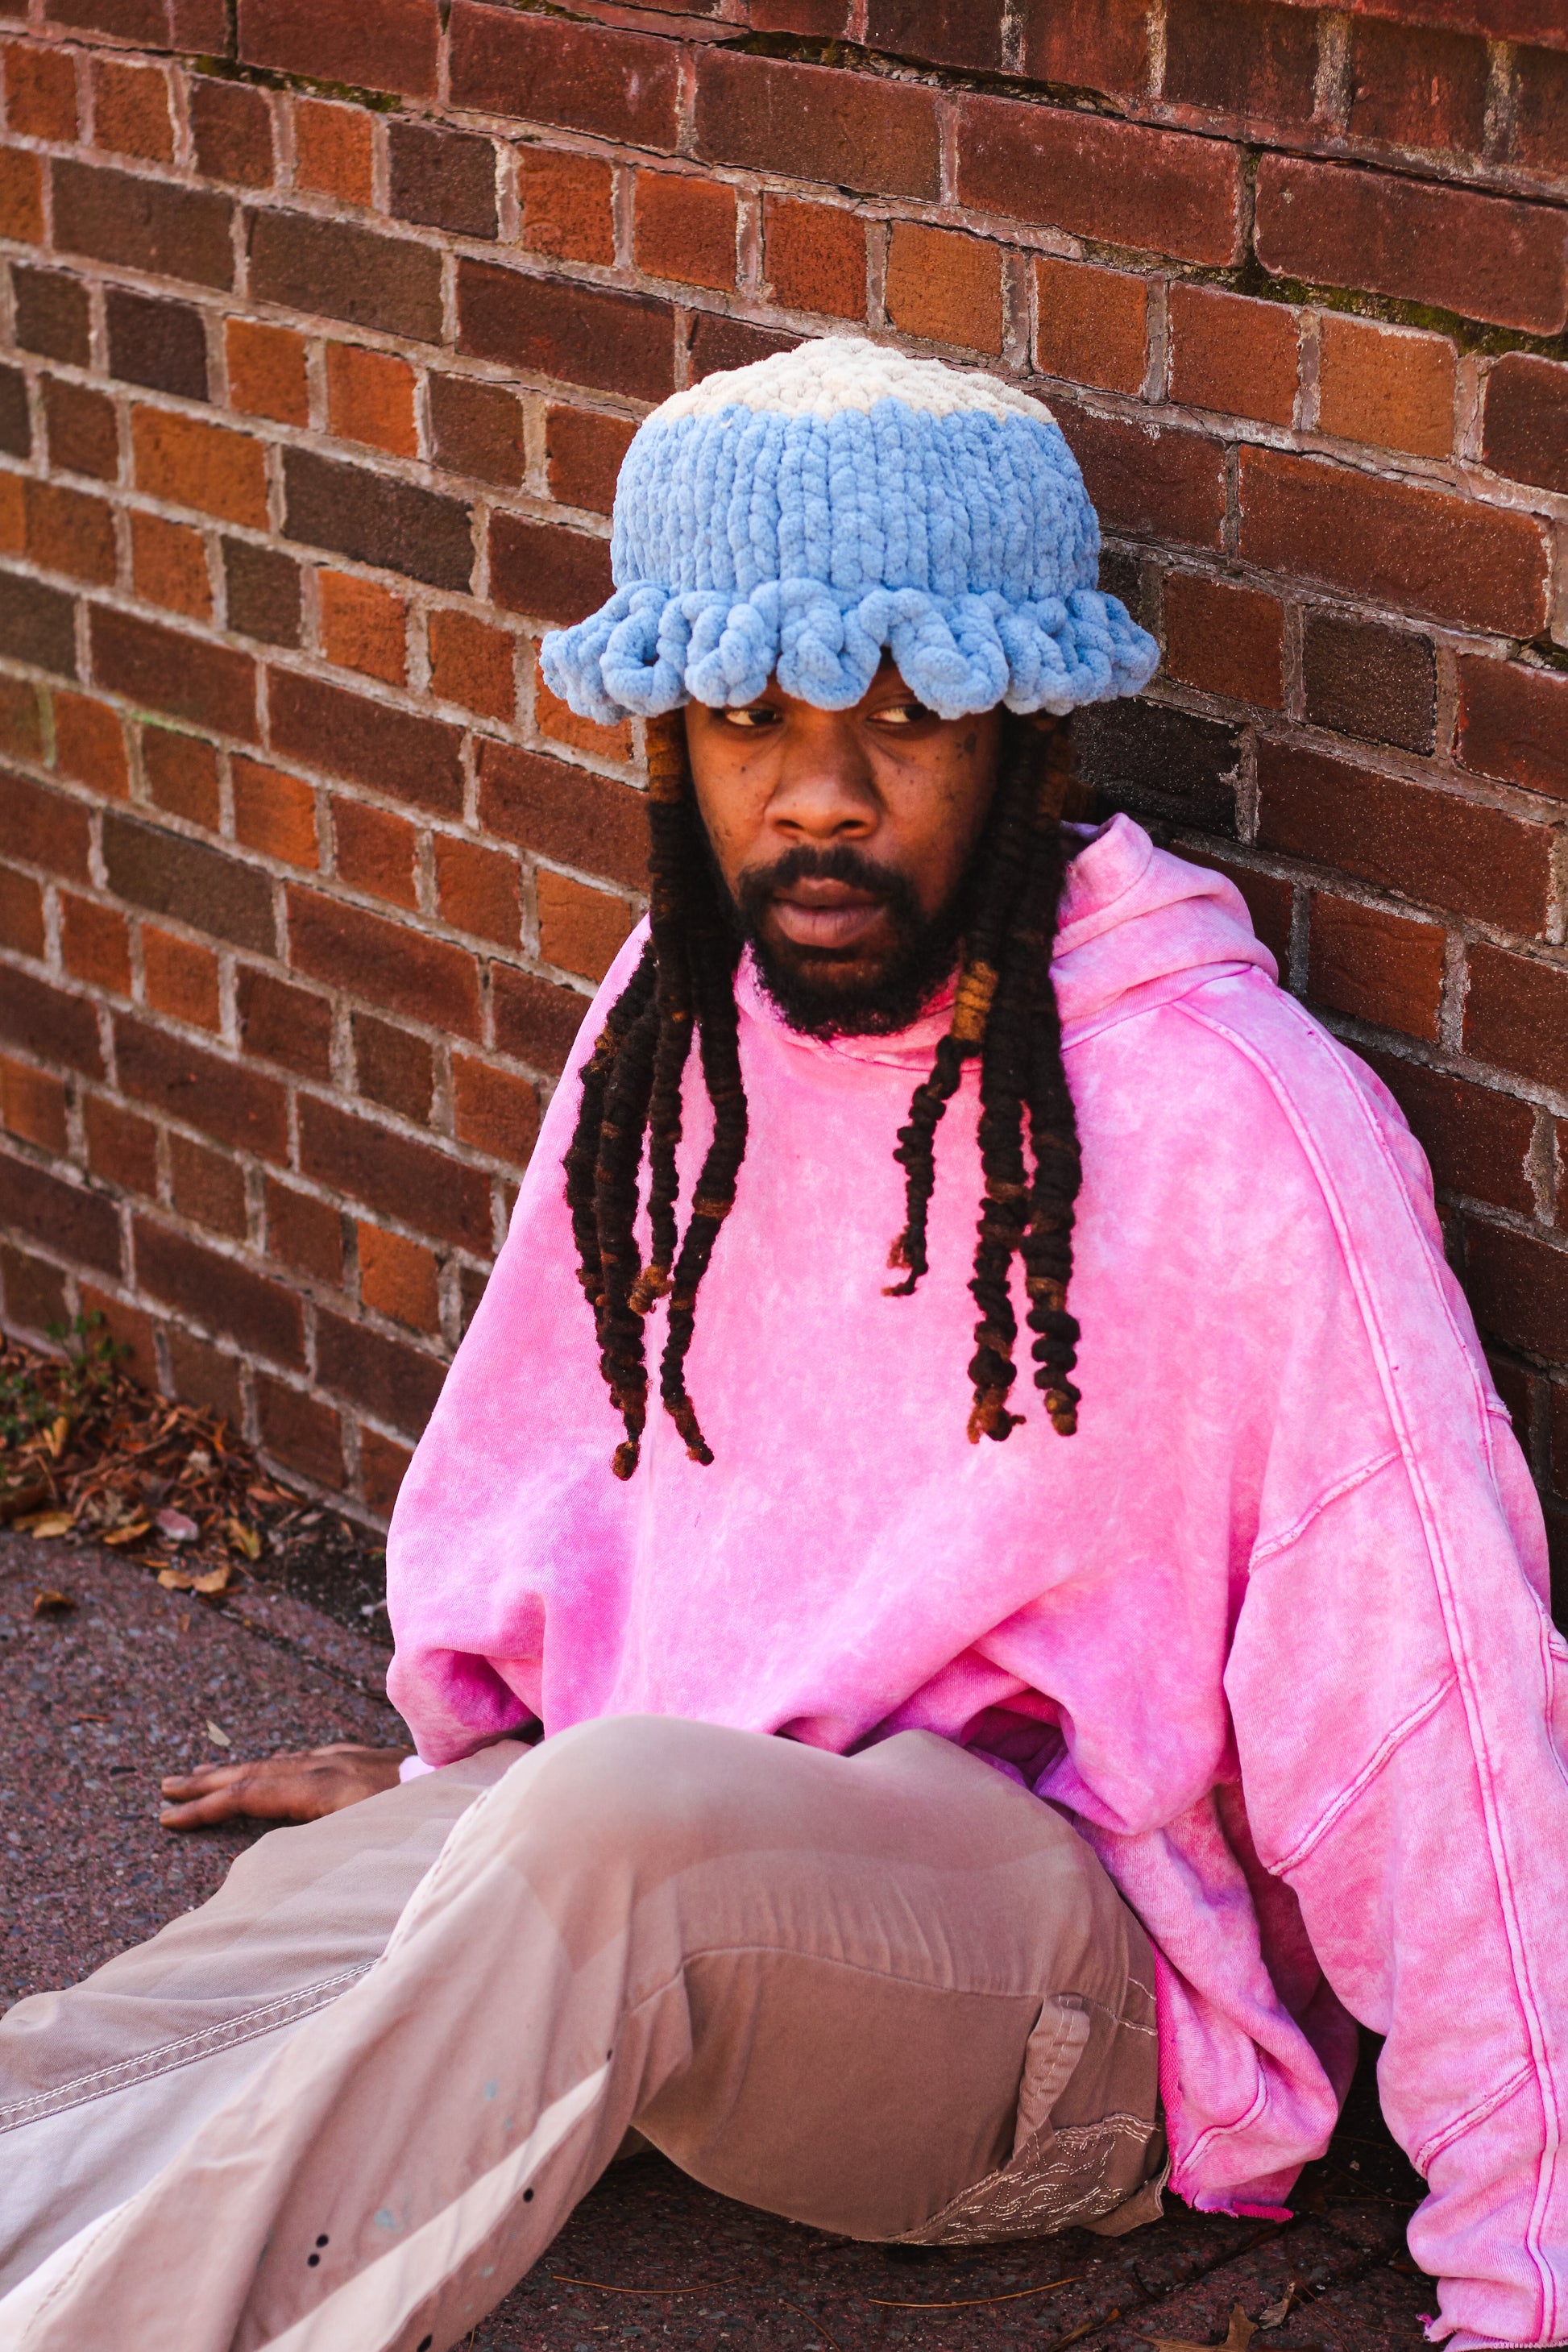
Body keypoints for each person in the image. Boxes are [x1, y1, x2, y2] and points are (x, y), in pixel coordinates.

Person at [1, 337, 1563, 2352]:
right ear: (674, 737)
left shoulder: (1231, 1121)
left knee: (603, 1838)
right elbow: (558, 1460)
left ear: (1023, 734)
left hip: (1064, 2008)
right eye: (750, 716)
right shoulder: (683, 1019)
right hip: (688, 1837)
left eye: (903, 716)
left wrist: (1531, 2271)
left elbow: (1436, 1722)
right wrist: (460, 1785)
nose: (819, 793)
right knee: (201, 1994)